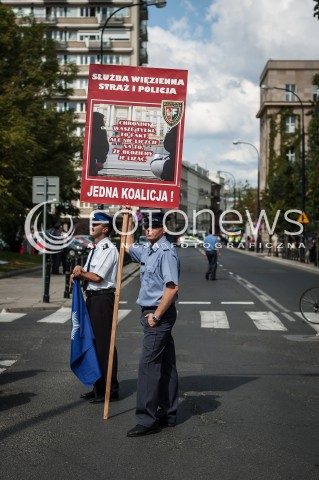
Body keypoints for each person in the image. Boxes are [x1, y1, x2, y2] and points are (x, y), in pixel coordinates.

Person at [125, 212, 180, 437]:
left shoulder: (166, 252)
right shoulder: (149, 249)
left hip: (158, 315)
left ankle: (147, 420)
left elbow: (172, 287)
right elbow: (127, 245)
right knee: (166, 364)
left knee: (147, 366)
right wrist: (128, 215)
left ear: (163, 229)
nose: (148, 229)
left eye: (154, 226)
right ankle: (168, 413)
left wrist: (156, 316)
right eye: (145, 226)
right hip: (153, 313)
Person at [71, 212, 119, 403]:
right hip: (91, 298)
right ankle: (98, 387)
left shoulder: (109, 248)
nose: (92, 226)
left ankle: (110, 389)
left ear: (105, 228)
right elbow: (88, 273)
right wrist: (79, 272)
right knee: (92, 343)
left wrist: (81, 273)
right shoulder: (95, 248)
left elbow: (97, 277)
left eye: (96, 224)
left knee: (103, 345)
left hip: (102, 299)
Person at [89, 111, 109, 176]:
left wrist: (101, 160)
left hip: (91, 160)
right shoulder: (98, 119)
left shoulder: (97, 118)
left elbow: (102, 139)